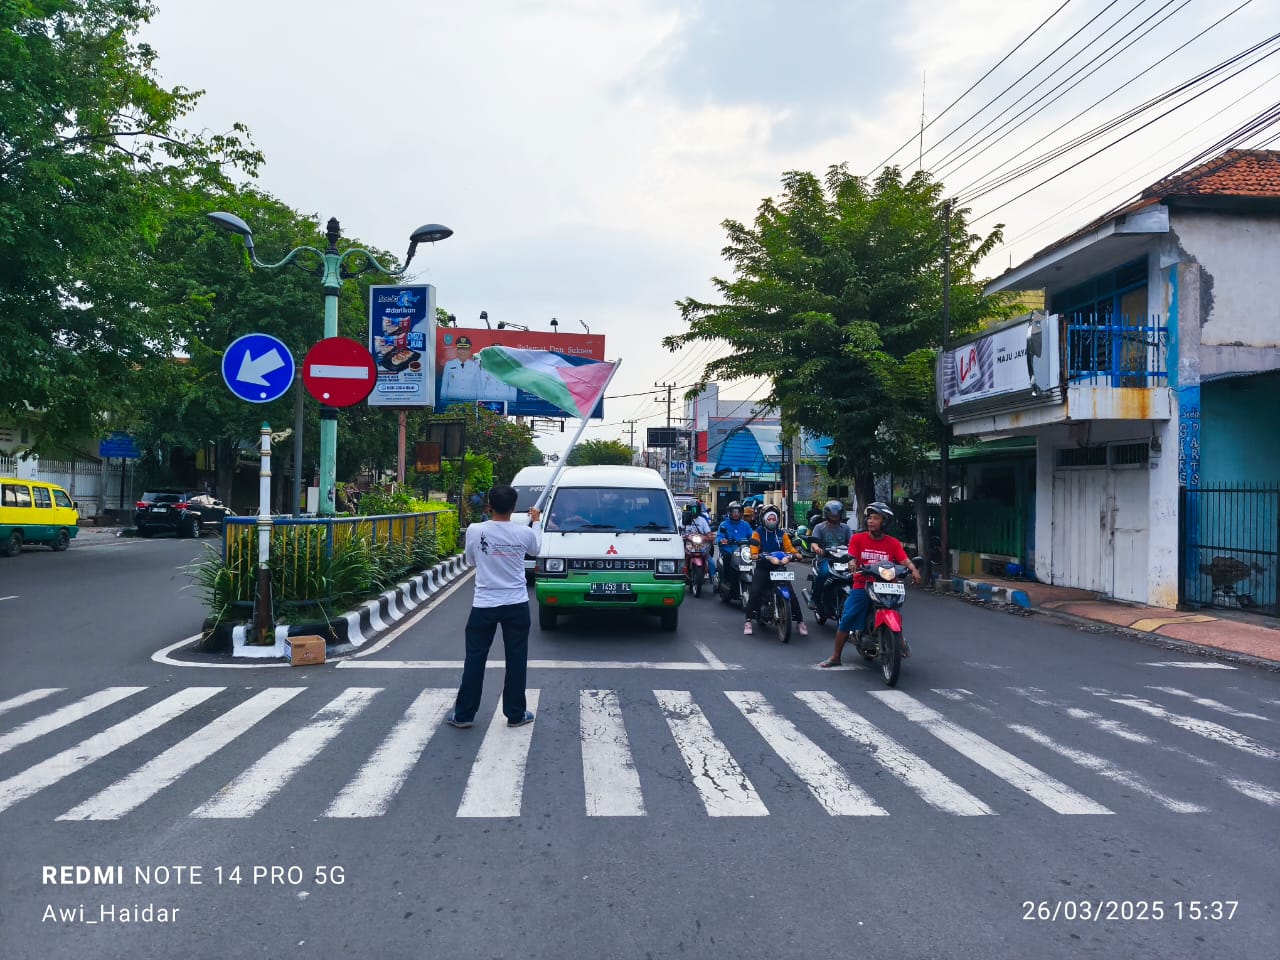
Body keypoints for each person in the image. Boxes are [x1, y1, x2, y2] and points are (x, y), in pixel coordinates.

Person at [446, 485, 542, 729]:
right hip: (516, 604)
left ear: (489, 506)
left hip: (484, 604)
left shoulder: (476, 530)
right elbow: (536, 549)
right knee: (517, 658)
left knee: (475, 659)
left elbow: (469, 560)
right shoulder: (524, 533)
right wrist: (536, 521)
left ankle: (464, 715)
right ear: (513, 507)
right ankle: (516, 714)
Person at [819, 502, 921, 667]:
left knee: (895, 609)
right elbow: (852, 555)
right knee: (848, 617)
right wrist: (852, 562)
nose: (870, 521)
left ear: (885, 522)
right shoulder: (858, 538)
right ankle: (836, 657)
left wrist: (913, 569)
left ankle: (899, 639)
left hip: (887, 584)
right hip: (863, 584)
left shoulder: (893, 542)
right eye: (869, 518)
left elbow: (904, 560)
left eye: (875, 518)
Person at [743, 504, 807, 636]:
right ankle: (748, 620)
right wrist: (762, 556)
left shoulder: (782, 534)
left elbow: (790, 549)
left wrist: (795, 555)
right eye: (769, 519)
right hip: (763, 568)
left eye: (774, 519)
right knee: (755, 592)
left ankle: (800, 622)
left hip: (779, 568)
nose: (772, 521)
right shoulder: (757, 533)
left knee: (792, 594)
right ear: (764, 519)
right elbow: (753, 552)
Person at [440, 336, 516, 402]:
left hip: (470, 403)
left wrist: (512, 403)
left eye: (465, 349)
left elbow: (479, 387)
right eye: (460, 349)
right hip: (451, 401)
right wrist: (442, 401)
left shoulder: (508, 369)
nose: (463, 352)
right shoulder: (449, 364)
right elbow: (444, 387)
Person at [807, 500, 853, 609]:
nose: (835, 517)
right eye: (833, 515)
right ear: (827, 515)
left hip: (843, 559)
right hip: (825, 558)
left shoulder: (846, 528)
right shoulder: (819, 527)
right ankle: (815, 598)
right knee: (824, 573)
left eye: (837, 515)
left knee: (854, 576)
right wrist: (817, 548)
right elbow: (814, 542)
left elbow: (852, 543)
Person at [684, 502, 714, 577]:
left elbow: (708, 533)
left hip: (700, 546)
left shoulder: (702, 520)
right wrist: (683, 536)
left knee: (711, 562)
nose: (694, 511)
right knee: (680, 558)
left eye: (696, 509)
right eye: (692, 509)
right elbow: (679, 530)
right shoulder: (684, 519)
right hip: (687, 545)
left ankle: (714, 579)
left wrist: (708, 537)